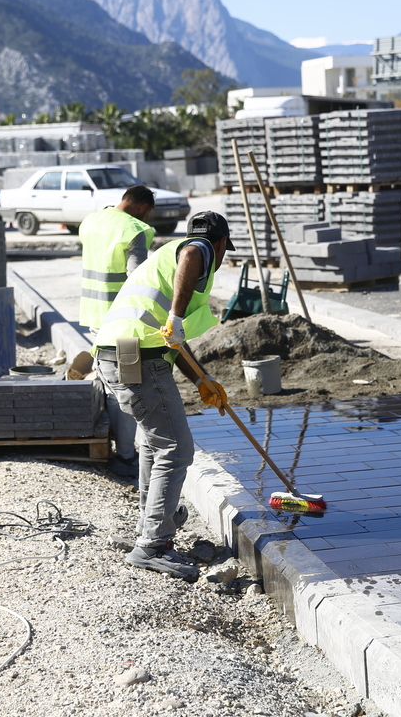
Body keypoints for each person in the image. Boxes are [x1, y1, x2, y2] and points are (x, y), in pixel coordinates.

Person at [92, 211, 230, 581]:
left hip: (117, 353)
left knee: (155, 444)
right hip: (139, 357)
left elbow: (173, 339)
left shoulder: (164, 258)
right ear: (221, 244)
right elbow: (193, 256)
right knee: (176, 448)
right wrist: (178, 314)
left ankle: (151, 521)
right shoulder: (196, 250)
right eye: (222, 249)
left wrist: (202, 379)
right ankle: (153, 545)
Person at [77, 185, 156, 478]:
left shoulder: (91, 221)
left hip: (93, 316)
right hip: (121, 324)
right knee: (127, 389)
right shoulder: (135, 229)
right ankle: (124, 456)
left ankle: (115, 447)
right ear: (144, 207)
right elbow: (139, 282)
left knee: (109, 383)